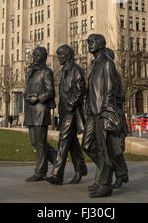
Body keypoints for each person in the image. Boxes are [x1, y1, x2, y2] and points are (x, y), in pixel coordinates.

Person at [82, 34, 120, 198]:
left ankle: (104, 183)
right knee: (87, 145)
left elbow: (110, 90)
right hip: (92, 111)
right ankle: (107, 169)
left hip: (101, 112)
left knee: (102, 148)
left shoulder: (107, 64)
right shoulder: (94, 64)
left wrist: (106, 112)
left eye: (92, 41)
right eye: (88, 42)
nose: (89, 44)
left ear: (102, 44)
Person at [46, 44, 87, 185]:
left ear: (68, 56)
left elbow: (81, 89)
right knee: (72, 143)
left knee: (63, 142)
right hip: (64, 112)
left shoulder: (76, 70)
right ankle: (80, 168)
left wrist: (70, 104)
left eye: (61, 55)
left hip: (72, 112)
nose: (59, 58)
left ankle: (57, 175)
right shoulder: (62, 71)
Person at [23, 46, 57, 182]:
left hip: (40, 111)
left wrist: (37, 98)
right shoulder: (30, 70)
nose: (35, 57)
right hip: (31, 111)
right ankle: (57, 159)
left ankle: (40, 171)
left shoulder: (46, 72)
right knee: (34, 142)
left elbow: (50, 92)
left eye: (38, 55)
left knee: (40, 143)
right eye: (34, 54)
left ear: (44, 56)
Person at [104, 48, 129, 188]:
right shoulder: (113, 74)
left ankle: (120, 174)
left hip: (115, 118)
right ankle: (121, 173)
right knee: (112, 149)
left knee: (115, 149)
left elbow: (120, 97)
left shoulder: (113, 75)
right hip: (111, 116)